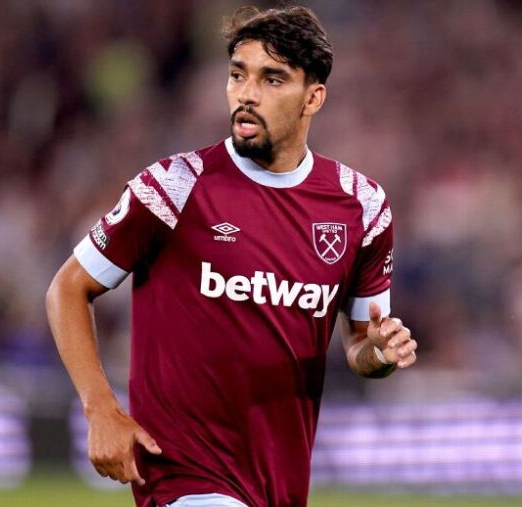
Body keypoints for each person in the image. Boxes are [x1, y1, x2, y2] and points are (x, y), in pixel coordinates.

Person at [45, 5, 417, 507]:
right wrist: (100, 409)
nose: (246, 93)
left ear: (313, 97)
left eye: (272, 79)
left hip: (278, 483)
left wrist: (379, 352)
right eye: (238, 75)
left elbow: (359, 347)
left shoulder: (361, 207)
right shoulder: (174, 188)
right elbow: (68, 287)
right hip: (183, 478)